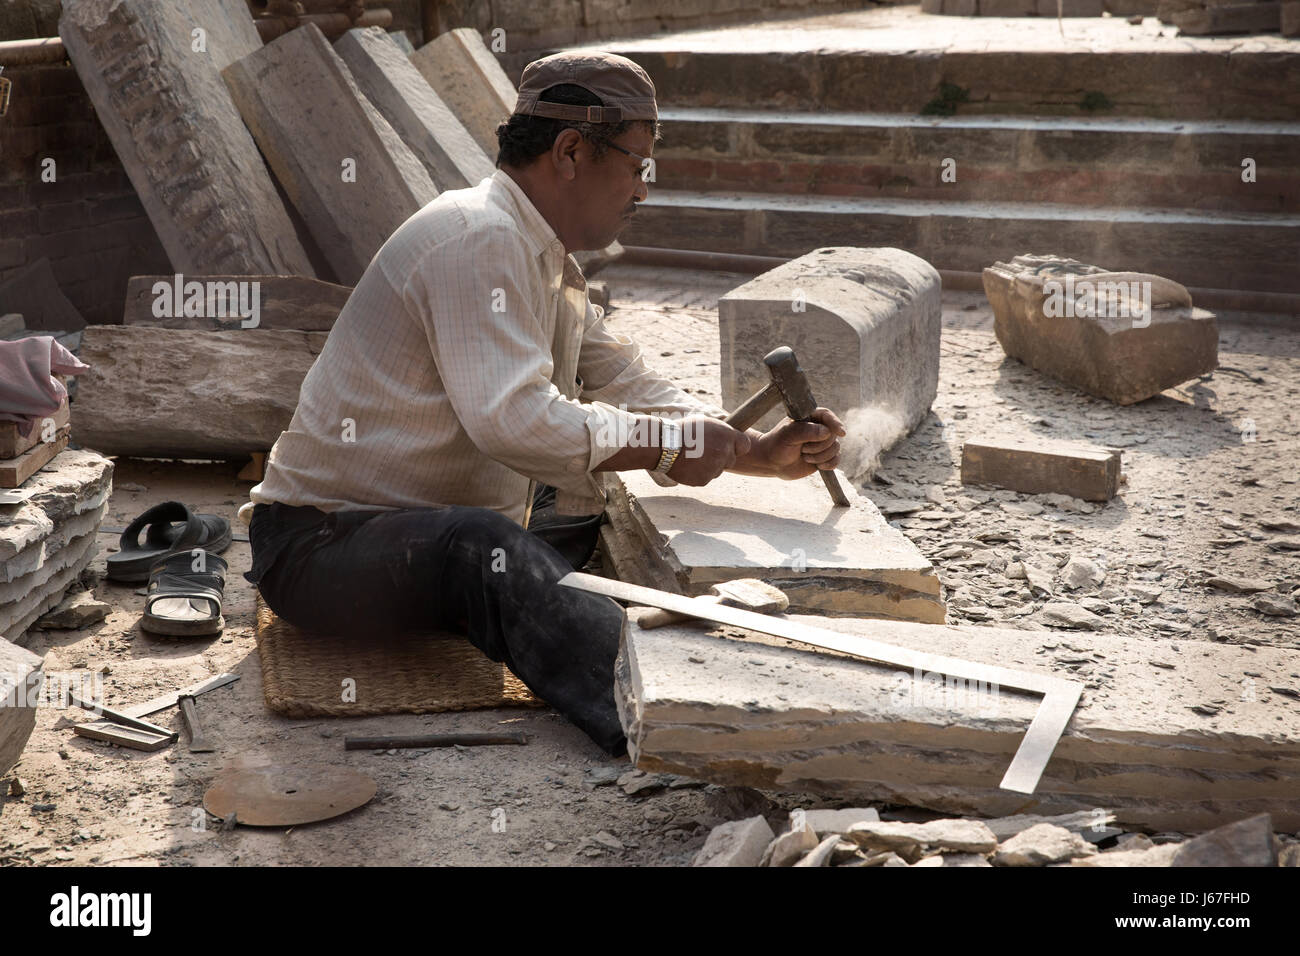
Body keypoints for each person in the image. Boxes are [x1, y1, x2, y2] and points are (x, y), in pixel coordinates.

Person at [242, 50, 844, 756]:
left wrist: (752, 452)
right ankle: (667, 709)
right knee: (484, 548)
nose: (643, 191)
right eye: (636, 164)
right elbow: (514, 421)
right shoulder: (477, 237)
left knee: (561, 524)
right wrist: (671, 443)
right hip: (317, 550)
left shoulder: (547, 263)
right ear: (569, 151)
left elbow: (628, 380)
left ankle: (645, 662)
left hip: (410, 539)